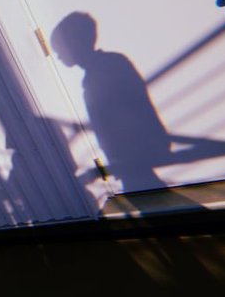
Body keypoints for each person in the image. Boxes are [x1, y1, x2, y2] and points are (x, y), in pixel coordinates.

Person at [51, 12, 170, 192]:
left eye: (59, 48)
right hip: (130, 155)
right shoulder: (106, 66)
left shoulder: (106, 68)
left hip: (133, 153)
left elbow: (129, 110)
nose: (58, 56)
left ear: (74, 42)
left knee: (148, 194)